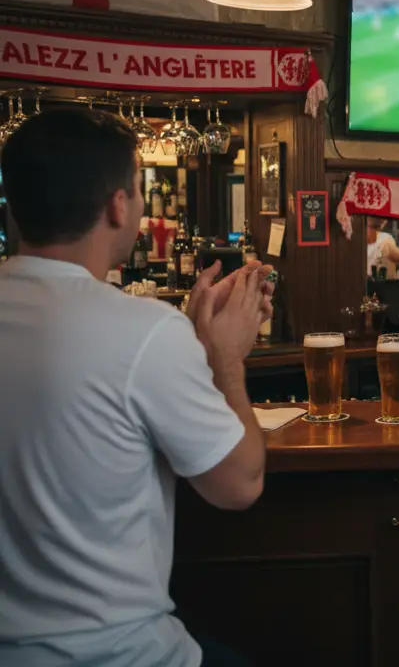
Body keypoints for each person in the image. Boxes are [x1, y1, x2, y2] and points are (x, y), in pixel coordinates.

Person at [0, 109, 271, 666]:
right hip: (116, 654)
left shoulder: (153, 334)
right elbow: (239, 484)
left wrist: (190, 344)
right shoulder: (144, 330)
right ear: (119, 206)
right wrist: (224, 357)